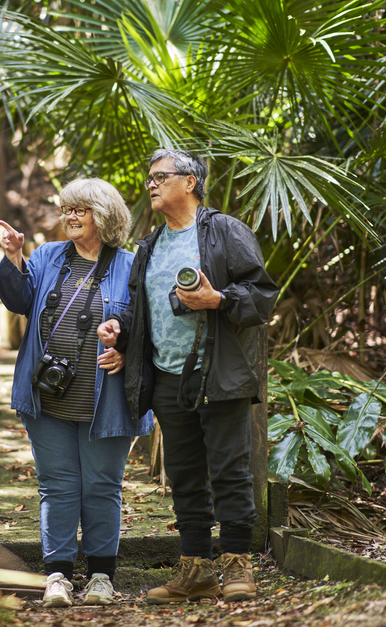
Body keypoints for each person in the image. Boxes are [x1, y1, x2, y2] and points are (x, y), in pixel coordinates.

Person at [97, 149, 278, 604]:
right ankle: (195, 570)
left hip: (218, 374)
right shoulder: (150, 245)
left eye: (161, 177)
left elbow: (262, 297)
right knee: (185, 476)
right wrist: (120, 336)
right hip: (167, 378)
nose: (151, 185)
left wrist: (217, 299)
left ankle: (238, 565)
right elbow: (144, 311)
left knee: (230, 472)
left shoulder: (224, 231)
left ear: (190, 183)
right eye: (150, 178)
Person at [0, 178, 153, 608]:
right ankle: (58, 577)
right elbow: (17, 299)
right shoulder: (47, 257)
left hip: (108, 401)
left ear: (103, 215)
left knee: (102, 485)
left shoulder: (131, 264)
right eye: (67, 209)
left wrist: (123, 350)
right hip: (48, 397)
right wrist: (13, 257)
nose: (70, 216)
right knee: (57, 486)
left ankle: (102, 576)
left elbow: (150, 326)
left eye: (80, 209)